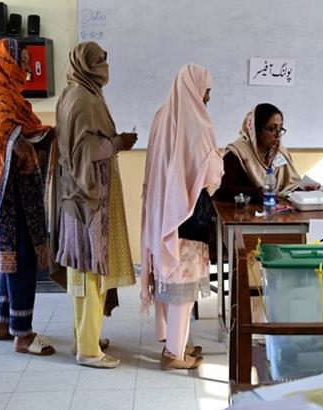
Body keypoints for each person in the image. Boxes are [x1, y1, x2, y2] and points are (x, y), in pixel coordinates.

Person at [54, 42, 137, 368]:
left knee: (81, 269)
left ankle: (84, 338)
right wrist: (118, 143)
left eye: (105, 58)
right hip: (89, 199)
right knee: (91, 270)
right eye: (98, 60)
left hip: (77, 196)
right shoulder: (84, 100)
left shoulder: (74, 93)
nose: (104, 65)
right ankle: (88, 351)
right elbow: (86, 152)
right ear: (85, 64)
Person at [140, 64, 224, 370]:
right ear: (195, 89)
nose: (208, 98)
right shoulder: (198, 124)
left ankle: (174, 339)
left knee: (168, 277)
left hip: (162, 209)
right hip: (188, 211)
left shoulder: (162, 115)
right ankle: (175, 353)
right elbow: (211, 175)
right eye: (206, 91)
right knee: (183, 285)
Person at [0, 38, 55, 355]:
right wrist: (34, 140)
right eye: (21, 61)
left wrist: (41, 135)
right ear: (5, 63)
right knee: (21, 259)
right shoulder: (1, 98)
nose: (26, 68)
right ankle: (23, 335)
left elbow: (19, 134)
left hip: (13, 191)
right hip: (14, 195)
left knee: (8, 256)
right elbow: (9, 140)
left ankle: (2, 322)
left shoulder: (5, 95)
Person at [216, 103, 303, 204]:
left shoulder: (281, 152)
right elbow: (223, 191)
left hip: (279, 209)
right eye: (272, 128)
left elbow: (290, 186)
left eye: (280, 128)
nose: (278, 134)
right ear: (255, 130)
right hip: (244, 211)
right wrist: (255, 194)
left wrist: (305, 189)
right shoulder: (237, 153)